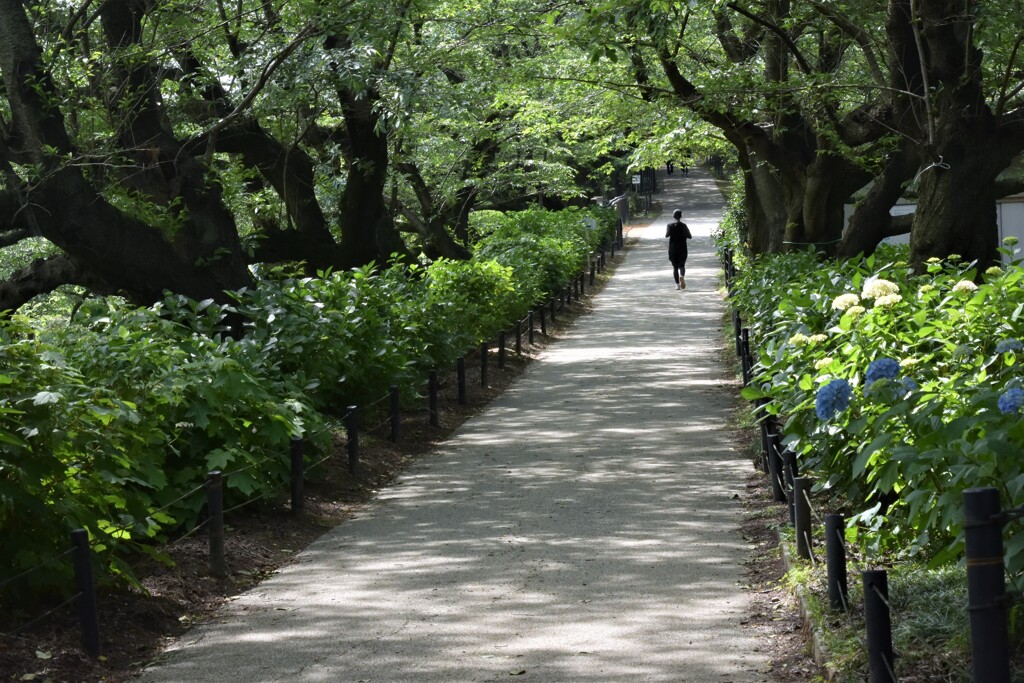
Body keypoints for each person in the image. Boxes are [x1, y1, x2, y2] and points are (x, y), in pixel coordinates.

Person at [666, 209, 692, 290]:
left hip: (673, 249)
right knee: (682, 265)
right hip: (682, 248)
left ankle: (677, 285)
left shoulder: (669, 225)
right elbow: (689, 236)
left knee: (675, 267)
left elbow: (667, 235)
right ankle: (682, 276)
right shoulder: (684, 225)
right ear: (681, 216)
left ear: (673, 216)